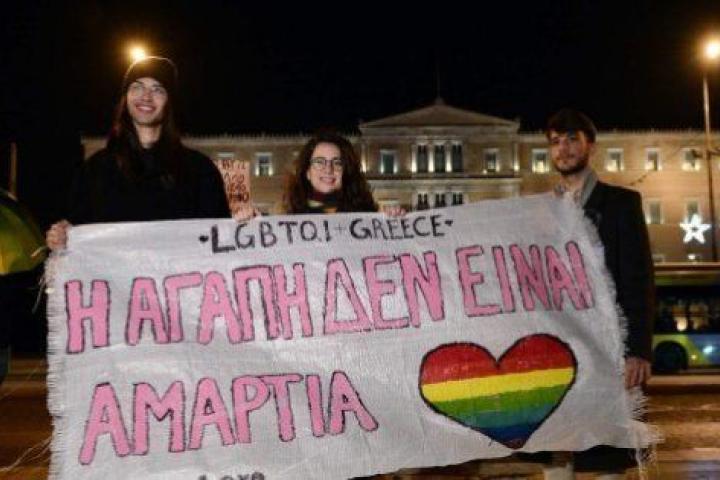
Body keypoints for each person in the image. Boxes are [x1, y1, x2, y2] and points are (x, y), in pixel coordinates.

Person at [542, 109, 656, 479]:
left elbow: (638, 278)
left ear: (590, 145)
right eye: (555, 142)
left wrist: (638, 349)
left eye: (572, 139)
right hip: (560, 347)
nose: (563, 149)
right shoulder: (541, 211)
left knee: (609, 450)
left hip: (610, 346)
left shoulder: (622, 203)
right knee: (558, 447)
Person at [47, 56, 240, 250]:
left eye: (158, 89)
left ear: (169, 101)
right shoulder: (95, 170)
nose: (146, 96)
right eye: (137, 87)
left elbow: (220, 238)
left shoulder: (199, 170)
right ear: (126, 97)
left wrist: (246, 226)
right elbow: (78, 231)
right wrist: (63, 236)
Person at [284, 130, 379, 215]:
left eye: (337, 163)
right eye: (319, 162)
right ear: (307, 172)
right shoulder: (289, 218)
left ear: (346, 171)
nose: (328, 169)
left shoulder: (367, 215)